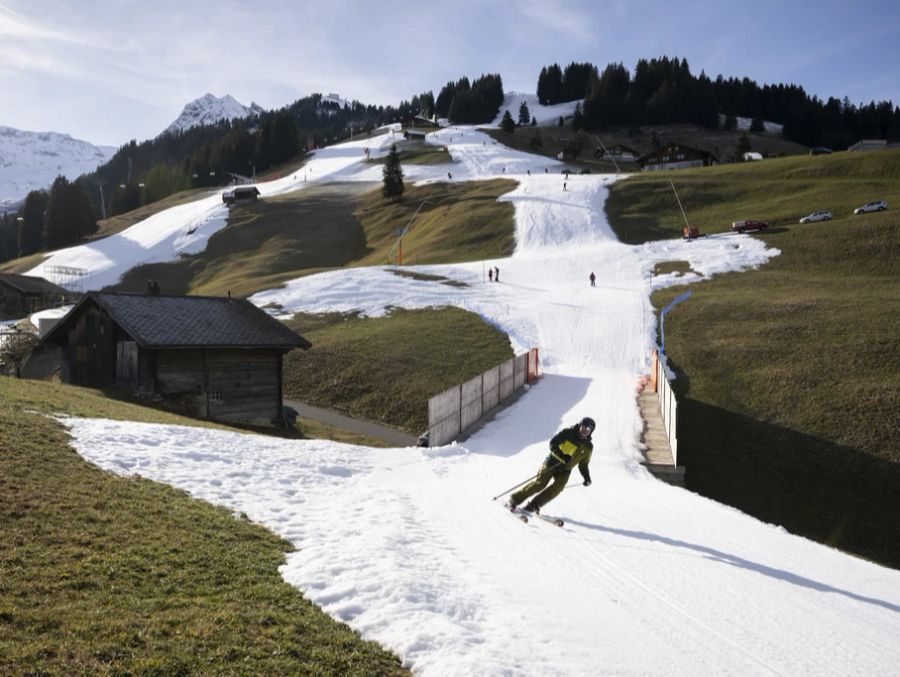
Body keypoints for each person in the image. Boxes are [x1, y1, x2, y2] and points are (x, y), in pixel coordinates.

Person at [507, 417, 595, 514]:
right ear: (580, 425)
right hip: (552, 462)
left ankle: (534, 504)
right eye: (583, 427)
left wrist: (586, 477)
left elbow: (583, 464)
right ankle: (514, 499)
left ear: (591, 431)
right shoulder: (568, 433)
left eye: (587, 429)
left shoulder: (588, 447)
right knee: (540, 484)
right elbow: (553, 443)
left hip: (565, 469)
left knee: (558, 487)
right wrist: (561, 454)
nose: (584, 430)